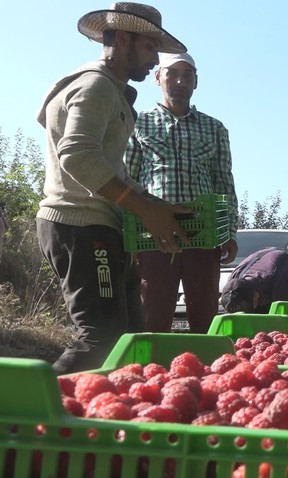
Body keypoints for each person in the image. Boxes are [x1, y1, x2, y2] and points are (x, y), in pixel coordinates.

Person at [35, 2, 191, 374]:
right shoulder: (96, 85)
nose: (155, 60)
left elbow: (109, 167)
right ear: (123, 38)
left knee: (130, 339)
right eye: (151, 47)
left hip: (100, 225)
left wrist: (154, 205)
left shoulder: (111, 90)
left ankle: (108, 421)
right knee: (100, 337)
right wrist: (143, 208)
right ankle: (31, 412)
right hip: (79, 224)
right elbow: (76, 155)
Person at [125, 51, 238, 333]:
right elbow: (128, 178)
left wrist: (230, 233)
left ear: (196, 82)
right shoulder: (138, 124)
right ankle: (153, 371)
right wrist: (125, 236)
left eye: (187, 75)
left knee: (206, 313)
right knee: (152, 311)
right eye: (172, 74)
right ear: (158, 78)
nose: (180, 81)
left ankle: (210, 373)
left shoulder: (214, 128)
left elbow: (224, 183)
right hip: (153, 232)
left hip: (204, 231)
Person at [220, 248, 288, 314]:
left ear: (255, 295)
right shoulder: (233, 277)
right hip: (270, 256)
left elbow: (285, 315)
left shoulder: (277, 284)